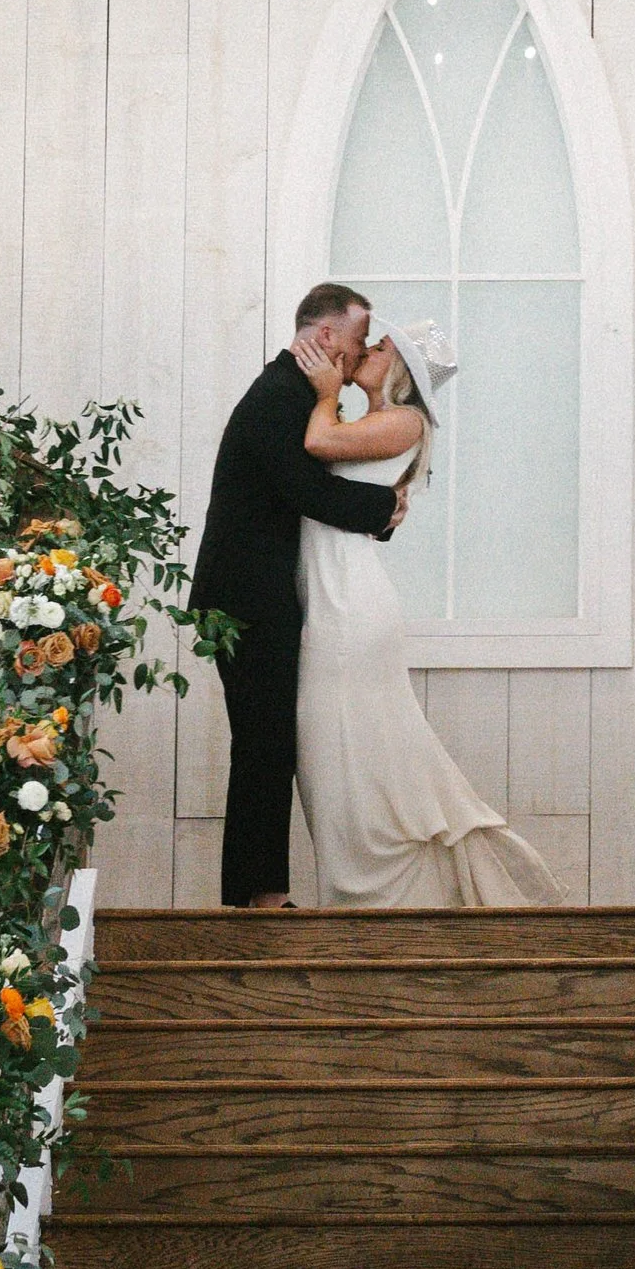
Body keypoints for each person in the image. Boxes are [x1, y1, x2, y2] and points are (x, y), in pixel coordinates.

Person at [287, 314, 563, 907]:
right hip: (331, 592)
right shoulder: (370, 419)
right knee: (332, 750)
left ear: (403, 371)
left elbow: (317, 445)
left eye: (380, 346)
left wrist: (327, 394)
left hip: (351, 603)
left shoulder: (404, 421)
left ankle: (379, 895)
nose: (367, 347)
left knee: (344, 743)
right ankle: (357, 887)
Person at [193, 283, 406, 908]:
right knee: (264, 739)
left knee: (269, 739)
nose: (360, 350)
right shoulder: (280, 397)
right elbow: (304, 490)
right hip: (242, 598)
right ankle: (261, 898)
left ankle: (259, 891)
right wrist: (385, 507)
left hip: (254, 593)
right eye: (357, 339)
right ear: (326, 338)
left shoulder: (291, 393)